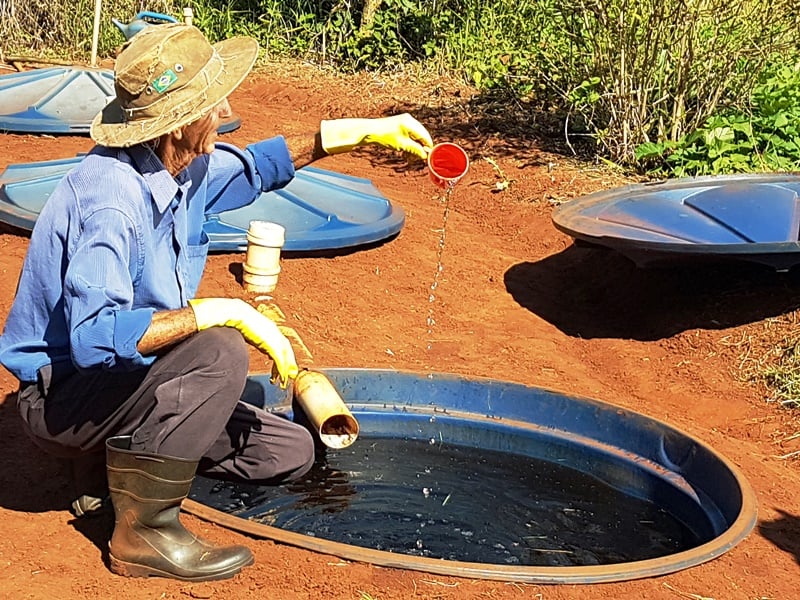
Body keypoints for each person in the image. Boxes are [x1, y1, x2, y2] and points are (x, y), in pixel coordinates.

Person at [0, 23, 433, 582]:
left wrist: (359, 132)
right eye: (210, 103)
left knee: (286, 453)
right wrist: (220, 311)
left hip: (132, 377)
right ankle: (143, 533)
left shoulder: (184, 168)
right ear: (178, 123)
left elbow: (256, 169)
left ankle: (114, 465)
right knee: (221, 350)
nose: (224, 109)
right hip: (65, 398)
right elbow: (93, 338)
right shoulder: (110, 201)